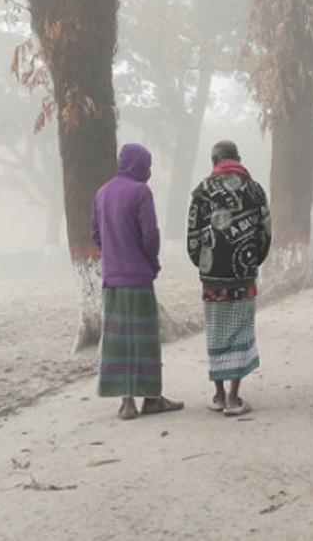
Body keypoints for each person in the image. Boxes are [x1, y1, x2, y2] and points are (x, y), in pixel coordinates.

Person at [91, 143, 184, 420]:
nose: (151, 171)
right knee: (144, 340)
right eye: (149, 165)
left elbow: (95, 235)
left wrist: (112, 255)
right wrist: (151, 263)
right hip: (139, 278)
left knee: (118, 340)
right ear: (139, 165)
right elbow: (150, 236)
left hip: (112, 280)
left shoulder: (102, 193)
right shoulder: (141, 192)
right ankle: (152, 400)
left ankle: (127, 403)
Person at [186, 140, 271, 416]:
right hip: (243, 275)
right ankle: (235, 399)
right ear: (238, 158)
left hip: (213, 277)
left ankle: (219, 395)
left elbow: (193, 235)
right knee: (241, 329)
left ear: (214, 160)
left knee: (216, 332)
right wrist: (253, 261)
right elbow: (264, 232)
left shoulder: (201, 191)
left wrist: (202, 263)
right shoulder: (255, 189)